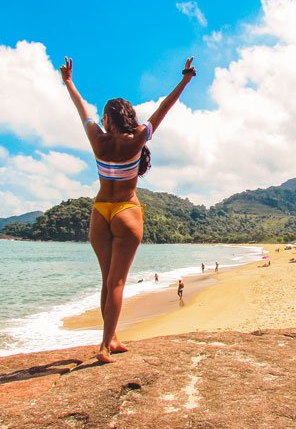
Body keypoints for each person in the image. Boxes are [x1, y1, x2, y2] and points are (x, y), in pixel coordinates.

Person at [60, 55, 196, 363]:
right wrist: (185, 80)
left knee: (106, 280)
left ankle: (111, 338)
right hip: (127, 212)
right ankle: (105, 345)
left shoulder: (97, 137)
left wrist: (68, 81)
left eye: (104, 116)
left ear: (108, 119)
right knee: (117, 281)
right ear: (128, 117)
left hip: (100, 212)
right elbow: (164, 108)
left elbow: (81, 106)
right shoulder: (137, 137)